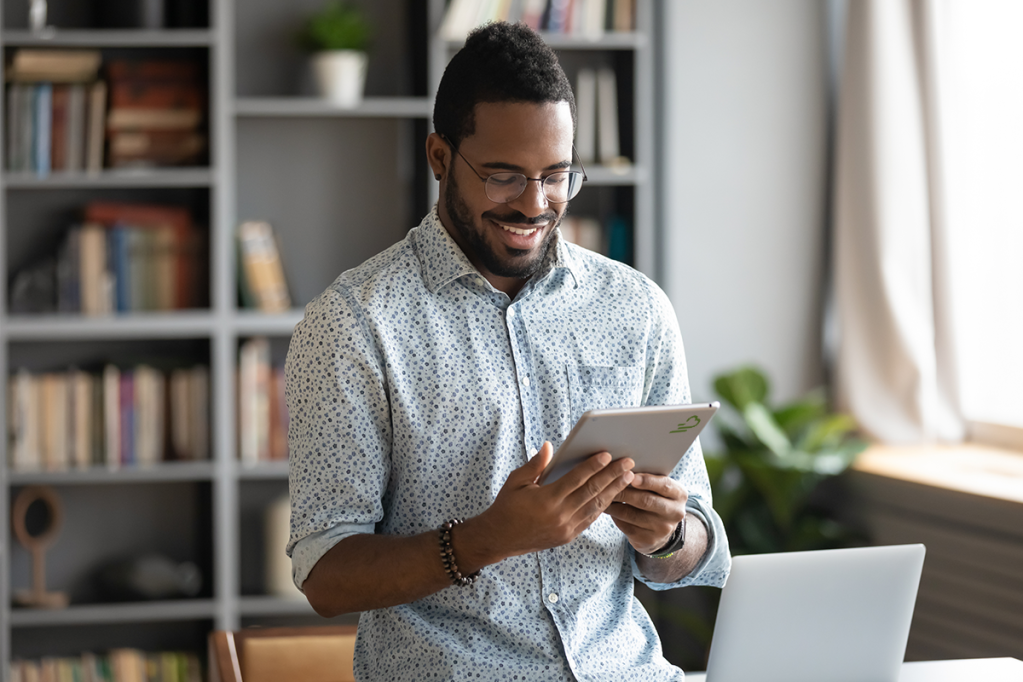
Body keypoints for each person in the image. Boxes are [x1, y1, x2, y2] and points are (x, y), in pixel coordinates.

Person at [285, 21, 730, 681]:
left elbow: (697, 550)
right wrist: (486, 540)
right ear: (440, 159)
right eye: (503, 177)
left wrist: (666, 534)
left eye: (556, 176)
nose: (534, 204)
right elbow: (325, 575)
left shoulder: (635, 308)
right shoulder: (353, 324)